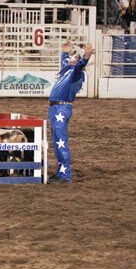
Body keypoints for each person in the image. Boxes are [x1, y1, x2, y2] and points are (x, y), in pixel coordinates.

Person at [47, 41, 95, 184]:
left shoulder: (75, 74)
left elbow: (80, 66)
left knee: (61, 141)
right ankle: (61, 171)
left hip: (60, 109)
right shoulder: (68, 70)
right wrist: (64, 52)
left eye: (74, 57)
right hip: (56, 108)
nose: (71, 58)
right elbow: (65, 61)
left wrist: (86, 57)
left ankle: (64, 174)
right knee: (57, 142)